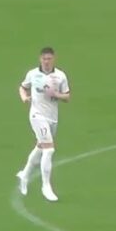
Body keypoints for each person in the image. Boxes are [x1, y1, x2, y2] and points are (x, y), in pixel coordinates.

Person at [17, 47, 71, 202]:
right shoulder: (33, 74)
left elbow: (67, 97)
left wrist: (56, 94)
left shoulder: (60, 76)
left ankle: (25, 175)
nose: (46, 61)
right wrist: (24, 97)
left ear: (53, 59)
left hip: (52, 118)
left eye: (49, 59)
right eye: (44, 59)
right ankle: (46, 186)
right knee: (49, 150)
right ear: (40, 59)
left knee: (40, 148)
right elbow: (23, 87)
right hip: (37, 115)